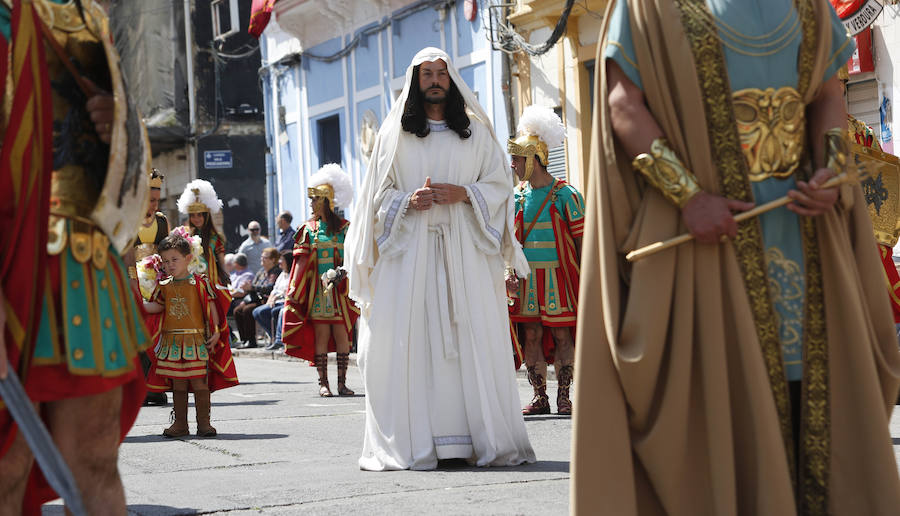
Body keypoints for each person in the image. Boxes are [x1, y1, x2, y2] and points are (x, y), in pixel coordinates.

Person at [572, 1, 900, 514]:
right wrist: (688, 197)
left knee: (816, 408)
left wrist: (832, 170)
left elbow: (828, 92)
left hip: (804, 237)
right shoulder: (646, 5)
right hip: (705, 251)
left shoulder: (808, 5)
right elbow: (622, 102)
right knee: (726, 416)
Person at [344, 47, 535, 471]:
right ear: (416, 81)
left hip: (465, 252)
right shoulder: (395, 136)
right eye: (426, 73)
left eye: (441, 74)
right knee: (406, 342)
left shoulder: (478, 135)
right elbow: (375, 197)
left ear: (451, 81)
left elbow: (502, 185)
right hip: (408, 254)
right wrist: (408, 200)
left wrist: (465, 193)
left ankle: (473, 440)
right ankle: (419, 440)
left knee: (472, 337)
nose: (434, 80)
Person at [0, 0, 153, 513]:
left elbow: (126, 167)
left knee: (92, 462)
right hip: (8, 262)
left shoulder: (87, 18)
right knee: (6, 466)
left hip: (82, 264)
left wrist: (120, 128)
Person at [506, 105, 584, 416]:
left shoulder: (565, 194)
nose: (513, 164)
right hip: (527, 280)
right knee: (532, 335)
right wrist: (507, 273)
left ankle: (564, 396)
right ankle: (540, 397)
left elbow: (582, 242)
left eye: (518, 158)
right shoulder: (517, 197)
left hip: (559, 278)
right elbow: (508, 243)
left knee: (563, 334)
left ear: (535, 158)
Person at [144, 233, 237, 438]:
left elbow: (211, 307)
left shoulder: (200, 283)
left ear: (188, 258)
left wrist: (215, 332)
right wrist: (137, 304)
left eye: (174, 259)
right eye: (166, 261)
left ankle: (204, 424)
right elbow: (156, 307)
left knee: (199, 383)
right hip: (172, 343)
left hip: (196, 342)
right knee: (177, 384)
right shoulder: (164, 286)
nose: (170, 265)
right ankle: (180, 424)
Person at [283, 164, 359, 397]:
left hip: (341, 291)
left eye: (316, 199)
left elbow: (353, 257)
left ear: (327, 201)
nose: (311, 204)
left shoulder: (346, 229)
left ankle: (342, 383)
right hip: (317, 292)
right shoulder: (307, 229)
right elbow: (301, 264)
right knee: (322, 338)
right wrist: (293, 292)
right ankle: (323, 383)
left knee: (342, 336)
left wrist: (343, 275)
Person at [128, 168, 171, 407]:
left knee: (157, 335)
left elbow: (167, 250)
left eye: (157, 199)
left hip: (157, 281)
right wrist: (133, 284)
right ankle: (139, 386)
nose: (154, 204)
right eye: (150, 199)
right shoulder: (128, 219)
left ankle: (155, 386)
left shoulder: (162, 220)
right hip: (132, 280)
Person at [178, 179, 232, 344]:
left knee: (211, 322)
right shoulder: (183, 235)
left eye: (200, 214)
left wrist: (226, 278)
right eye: (193, 215)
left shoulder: (215, 237)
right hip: (189, 284)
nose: (196, 218)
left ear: (206, 215)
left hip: (210, 285)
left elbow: (222, 261)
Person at [233, 247, 281, 349]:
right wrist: (249, 288)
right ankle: (244, 339)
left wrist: (252, 287)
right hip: (256, 299)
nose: (262, 260)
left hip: (267, 300)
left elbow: (270, 287)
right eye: (261, 257)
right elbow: (253, 285)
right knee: (237, 310)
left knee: (247, 310)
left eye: (265, 258)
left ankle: (251, 341)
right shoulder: (260, 272)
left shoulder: (275, 272)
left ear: (273, 260)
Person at [253, 250, 293, 351]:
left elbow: (287, 290)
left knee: (276, 311)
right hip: (276, 301)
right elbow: (275, 289)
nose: (279, 262)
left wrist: (276, 297)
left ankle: (279, 340)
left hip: (286, 301)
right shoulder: (282, 274)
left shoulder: (292, 274)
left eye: (282, 260)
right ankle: (274, 336)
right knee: (258, 312)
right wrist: (271, 299)